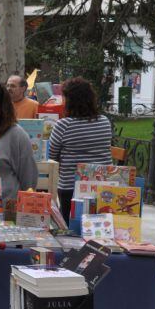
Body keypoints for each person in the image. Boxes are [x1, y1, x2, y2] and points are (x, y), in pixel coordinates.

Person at [48, 77, 113, 224]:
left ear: (69, 100)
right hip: (102, 187)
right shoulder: (104, 121)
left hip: (71, 187)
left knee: (69, 227)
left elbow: (52, 156)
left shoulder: (63, 125)